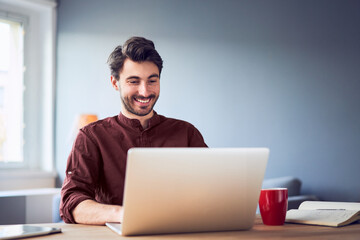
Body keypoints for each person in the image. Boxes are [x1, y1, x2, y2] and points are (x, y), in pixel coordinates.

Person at [60, 37, 207, 225]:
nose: (145, 92)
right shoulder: (91, 137)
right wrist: (125, 215)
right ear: (115, 83)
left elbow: (209, 191)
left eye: (152, 81)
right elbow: (71, 204)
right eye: (133, 81)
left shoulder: (187, 133)